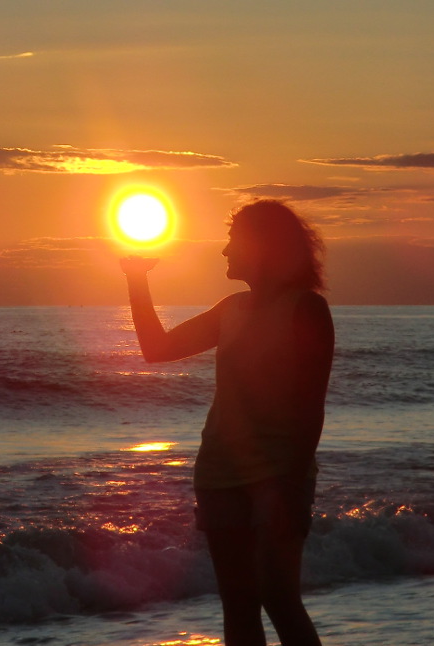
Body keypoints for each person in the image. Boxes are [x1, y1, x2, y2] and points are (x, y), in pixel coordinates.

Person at [120, 199, 334, 646]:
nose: (224, 251)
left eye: (234, 239)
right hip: (219, 474)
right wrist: (137, 279)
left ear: (264, 246)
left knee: (279, 597)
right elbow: (156, 349)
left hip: (278, 477)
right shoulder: (231, 308)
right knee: (238, 607)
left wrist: (288, 488)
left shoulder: (306, 310)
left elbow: (311, 408)